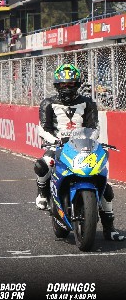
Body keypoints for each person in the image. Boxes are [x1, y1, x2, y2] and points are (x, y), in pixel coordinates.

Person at [34, 63, 124, 241]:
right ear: (57, 85)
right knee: (45, 163)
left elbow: (94, 127)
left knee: (103, 183)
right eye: (63, 84)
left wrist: (91, 139)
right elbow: (43, 128)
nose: (67, 87)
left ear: (77, 84)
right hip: (56, 145)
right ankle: (42, 194)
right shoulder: (48, 103)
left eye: (70, 84)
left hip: (82, 144)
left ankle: (109, 228)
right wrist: (55, 140)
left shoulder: (88, 103)